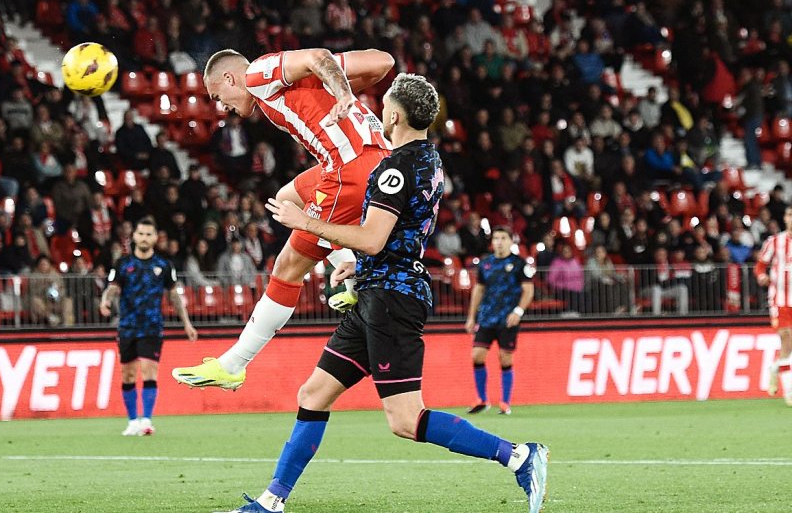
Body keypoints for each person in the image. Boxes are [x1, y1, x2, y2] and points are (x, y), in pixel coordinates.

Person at [225, 74, 547, 513]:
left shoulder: (395, 169)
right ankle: (272, 501)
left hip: (392, 299)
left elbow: (374, 238)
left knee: (406, 420)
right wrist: (358, 264)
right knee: (313, 395)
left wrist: (306, 224)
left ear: (394, 116)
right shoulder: (430, 160)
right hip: (379, 290)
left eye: (384, 107)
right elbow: (397, 236)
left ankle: (518, 456)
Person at [173, 47, 395, 391]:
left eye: (218, 96)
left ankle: (233, 365)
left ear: (230, 78)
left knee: (288, 268)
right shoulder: (304, 81)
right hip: (381, 161)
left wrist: (343, 92)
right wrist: (336, 79)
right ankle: (350, 275)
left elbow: (318, 55)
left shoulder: (256, 74)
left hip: (348, 170)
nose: (221, 107)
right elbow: (384, 62)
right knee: (286, 197)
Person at [98, 217, 197, 436]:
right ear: (134, 236)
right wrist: (105, 301)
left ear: (155, 238)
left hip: (152, 327)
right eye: (140, 233)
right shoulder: (122, 264)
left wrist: (187, 324)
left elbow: (174, 296)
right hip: (127, 326)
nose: (144, 238)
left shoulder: (163, 265)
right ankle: (133, 421)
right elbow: (112, 288)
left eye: (148, 234)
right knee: (128, 375)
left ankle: (147, 420)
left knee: (148, 371)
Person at [465, 228, 535, 415]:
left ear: (511, 241)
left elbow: (528, 290)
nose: (499, 241)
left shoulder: (519, 264)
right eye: (496, 238)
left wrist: (518, 311)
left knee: (505, 358)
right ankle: (482, 399)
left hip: (508, 319)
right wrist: (471, 316)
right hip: (487, 318)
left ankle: (505, 402)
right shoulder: (485, 264)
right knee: (477, 355)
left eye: (503, 238)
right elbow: (478, 290)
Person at [756, 207, 792, 405]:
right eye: (790, 215)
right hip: (779, 299)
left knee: (789, 347)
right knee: (787, 339)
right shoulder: (774, 241)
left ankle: (776, 367)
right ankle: (789, 392)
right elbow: (760, 266)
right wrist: (762, 276)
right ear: (785, 218)